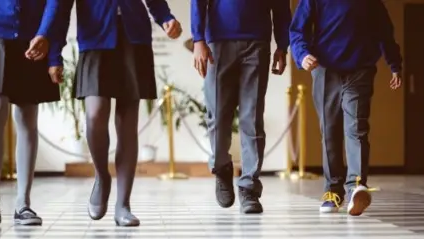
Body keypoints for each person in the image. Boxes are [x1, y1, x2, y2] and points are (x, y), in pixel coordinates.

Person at [56, 0, 182, 226]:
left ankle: (123, 204)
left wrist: (166, 18)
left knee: (127, 124)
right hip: (95, 37)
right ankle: (102, 176)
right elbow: (60, 7)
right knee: (94, 115)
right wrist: (54, 52)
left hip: (135, 36)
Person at [290, 0, 402, 216]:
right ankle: (332, 191)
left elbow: (384, 30)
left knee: (357, 127)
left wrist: (394, 64)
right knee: (330, 131)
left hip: (360, 69)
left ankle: (356, 187)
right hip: (324, 68)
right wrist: (302, 55)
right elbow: (297, 30)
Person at [191, 0, 291, 214]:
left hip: (257, 43)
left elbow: (282, 6)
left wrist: (282, 45)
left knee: (252, 118)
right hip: (217, 44)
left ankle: (249, 188)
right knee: (217, 117)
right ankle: (222, 167)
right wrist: (198, 39)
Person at [0, 0, 65, 226]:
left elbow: (56, 5)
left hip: (34, 37)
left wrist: (50, 49)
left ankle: (23, 203)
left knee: (27, 117)